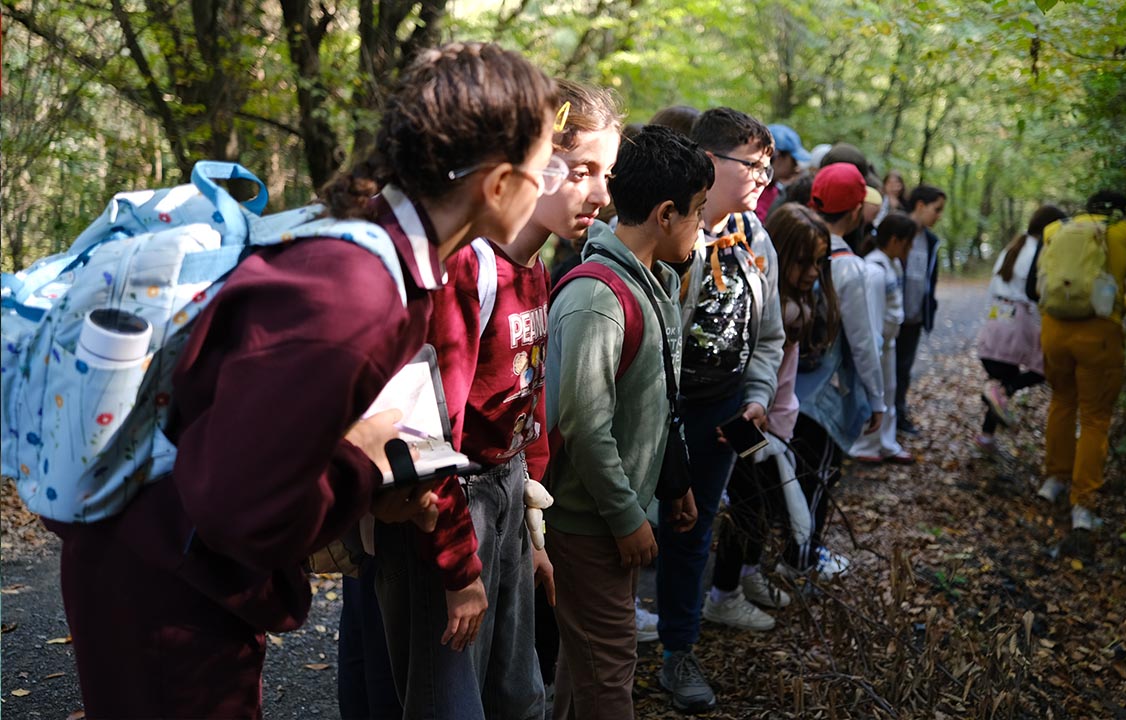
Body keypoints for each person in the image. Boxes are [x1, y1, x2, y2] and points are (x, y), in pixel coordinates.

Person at [47, 42, 559, 719]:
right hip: (165, 576)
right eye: (544, 164)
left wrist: (377, 485)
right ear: (496, 184)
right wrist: (365, 468)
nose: (550, 179)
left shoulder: (388, 257)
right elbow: (236, 502)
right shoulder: (355, 288)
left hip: (188, 563)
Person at [410, 79, 622, 720]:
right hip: (453, 511)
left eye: (605, 174)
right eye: (582, 171)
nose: (601, 194)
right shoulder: (470, 268)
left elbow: (527, 400)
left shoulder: (535, 269)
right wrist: (458, 569)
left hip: (504, 499)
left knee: (519, 694)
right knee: (452, 699)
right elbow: (432, 438)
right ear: (534, 163)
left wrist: (533, 533)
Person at [544, 125, 710, 720]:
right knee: (610, 670)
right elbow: (585, 425)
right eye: (697, 214)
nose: (702, 228)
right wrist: (624, 517)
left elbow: (652, 400)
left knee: (586, 663)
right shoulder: (599, 298)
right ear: (665, 214)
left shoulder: (654, 284)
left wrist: (673, 482)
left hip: (614, 517)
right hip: (589, 523)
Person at [655, 107, 786, 715]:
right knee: (623, 526)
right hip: (659, 411)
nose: (764, 176)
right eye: (752, 165)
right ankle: (577, 662)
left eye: (768, 165)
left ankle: (678, 649)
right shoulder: (666, 228)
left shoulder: (756, 236)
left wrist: (757, 396)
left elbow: (769, 336)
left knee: (695, 529)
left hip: (726, 410)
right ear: (709, 162)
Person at [704, 202, 832, 633]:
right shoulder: (768, 300)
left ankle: (747, 574)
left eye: (819, 261)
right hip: (751, 419)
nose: (813, 271)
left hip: (776, 420)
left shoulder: (796, 298)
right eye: (803, 261)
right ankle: (724, 595)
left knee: (765, 503)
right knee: (749, 505)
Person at [785, 162, 884, 578]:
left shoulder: (796, 244)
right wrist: (878, 399)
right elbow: (864, 343)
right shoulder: (849, 266)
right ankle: (803, 559)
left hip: (788, 389)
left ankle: (790, 555)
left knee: (794, 477)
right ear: (858, 209)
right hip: (824, 397)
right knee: (818, 479)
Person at [1037, 191, 1126, 536]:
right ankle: (1083, 504)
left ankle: (1054, 479)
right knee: (1095, 417)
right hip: (1099, 333)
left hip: (1054, 329)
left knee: (1061, 401)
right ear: (1121, 211)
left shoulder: (1055, 230)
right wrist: (1122, 306)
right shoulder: (1124, 232)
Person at [973, 205, 1067, 454]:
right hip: (1019, 322)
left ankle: (986, 436)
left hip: (997, 319)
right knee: (1043, 368)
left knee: (1001, 381)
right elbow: (1037, 295)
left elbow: (993, 287)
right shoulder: (1040, 252)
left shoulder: (1012, 248)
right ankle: (1000, 393)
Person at [851, 212, 918, 465]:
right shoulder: (874, 267)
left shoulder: (894, 264)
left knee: (888, 391)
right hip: (878, 345)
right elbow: (872, 314)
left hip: (890, 343)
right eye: (907, 242)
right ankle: (865, 443)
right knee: (874, 391)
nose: (909, 248)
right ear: (894, 240)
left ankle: (886, 442)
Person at [895, 184, 947, 436]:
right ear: (920, 205)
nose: (939, 215)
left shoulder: (930, 241)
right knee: (884, 369)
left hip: (914, 317)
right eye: (936, 209)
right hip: (891, 316)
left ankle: (898, 415)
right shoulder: (896, 231)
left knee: (903, 370)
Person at [758, 123, 811, 222]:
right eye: (793, 161)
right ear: (776, 156)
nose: (796, 167)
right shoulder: (750, 190)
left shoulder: (777, 190)